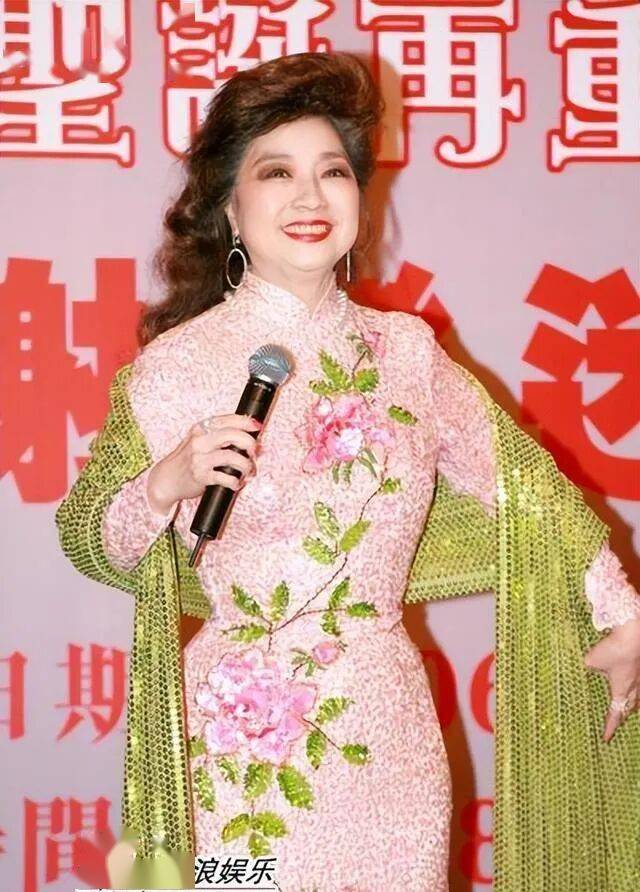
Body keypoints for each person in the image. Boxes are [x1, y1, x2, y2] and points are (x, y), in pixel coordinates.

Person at [55, 52, 640, 891]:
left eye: (332, 172)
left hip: (388, 739)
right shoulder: (173, 368)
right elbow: (90, 537)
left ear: (360, 203)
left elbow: (526, 490)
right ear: (230, 206)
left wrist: (621, 613)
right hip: (237, 748)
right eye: (277, 172)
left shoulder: (406, 354)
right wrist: (164, 485)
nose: (310, 196)